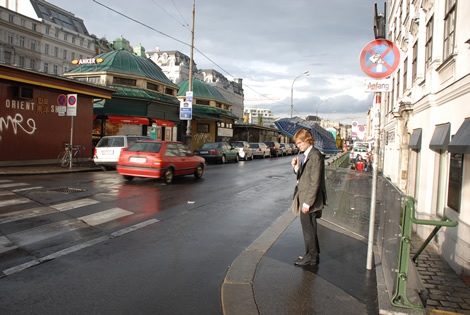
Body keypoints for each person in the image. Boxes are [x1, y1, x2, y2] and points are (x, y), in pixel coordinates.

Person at [290, 129, 327, 266]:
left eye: (299, 143)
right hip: (305, 197)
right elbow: (304, 177)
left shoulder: (315, 156)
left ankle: (311, 257)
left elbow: (315, 181)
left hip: (309, 200)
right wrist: (296, 167)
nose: (297, 146)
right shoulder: (308, 155)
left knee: (309, 229)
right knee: (309, 228)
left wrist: (307, 203)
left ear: (307, 141)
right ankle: (311, 254)